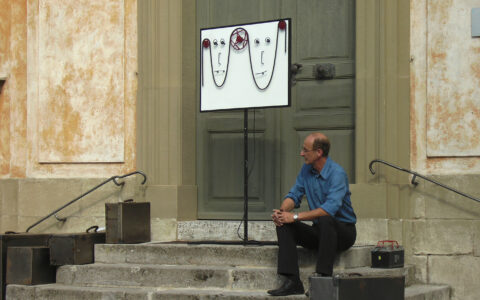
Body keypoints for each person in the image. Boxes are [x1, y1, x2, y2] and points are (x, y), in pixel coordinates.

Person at [267, 132, 357, 296]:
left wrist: (295, 216)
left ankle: (322, 280)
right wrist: (283, 212)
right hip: (321, 232)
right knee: (284, 224)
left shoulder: (337, 174)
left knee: (325, 219)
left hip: (343, 232)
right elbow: (294, 195)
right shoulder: (306, 170)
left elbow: (329, 209)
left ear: (319, 152)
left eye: (305, 150)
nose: (301, 153)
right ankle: (292, 281)